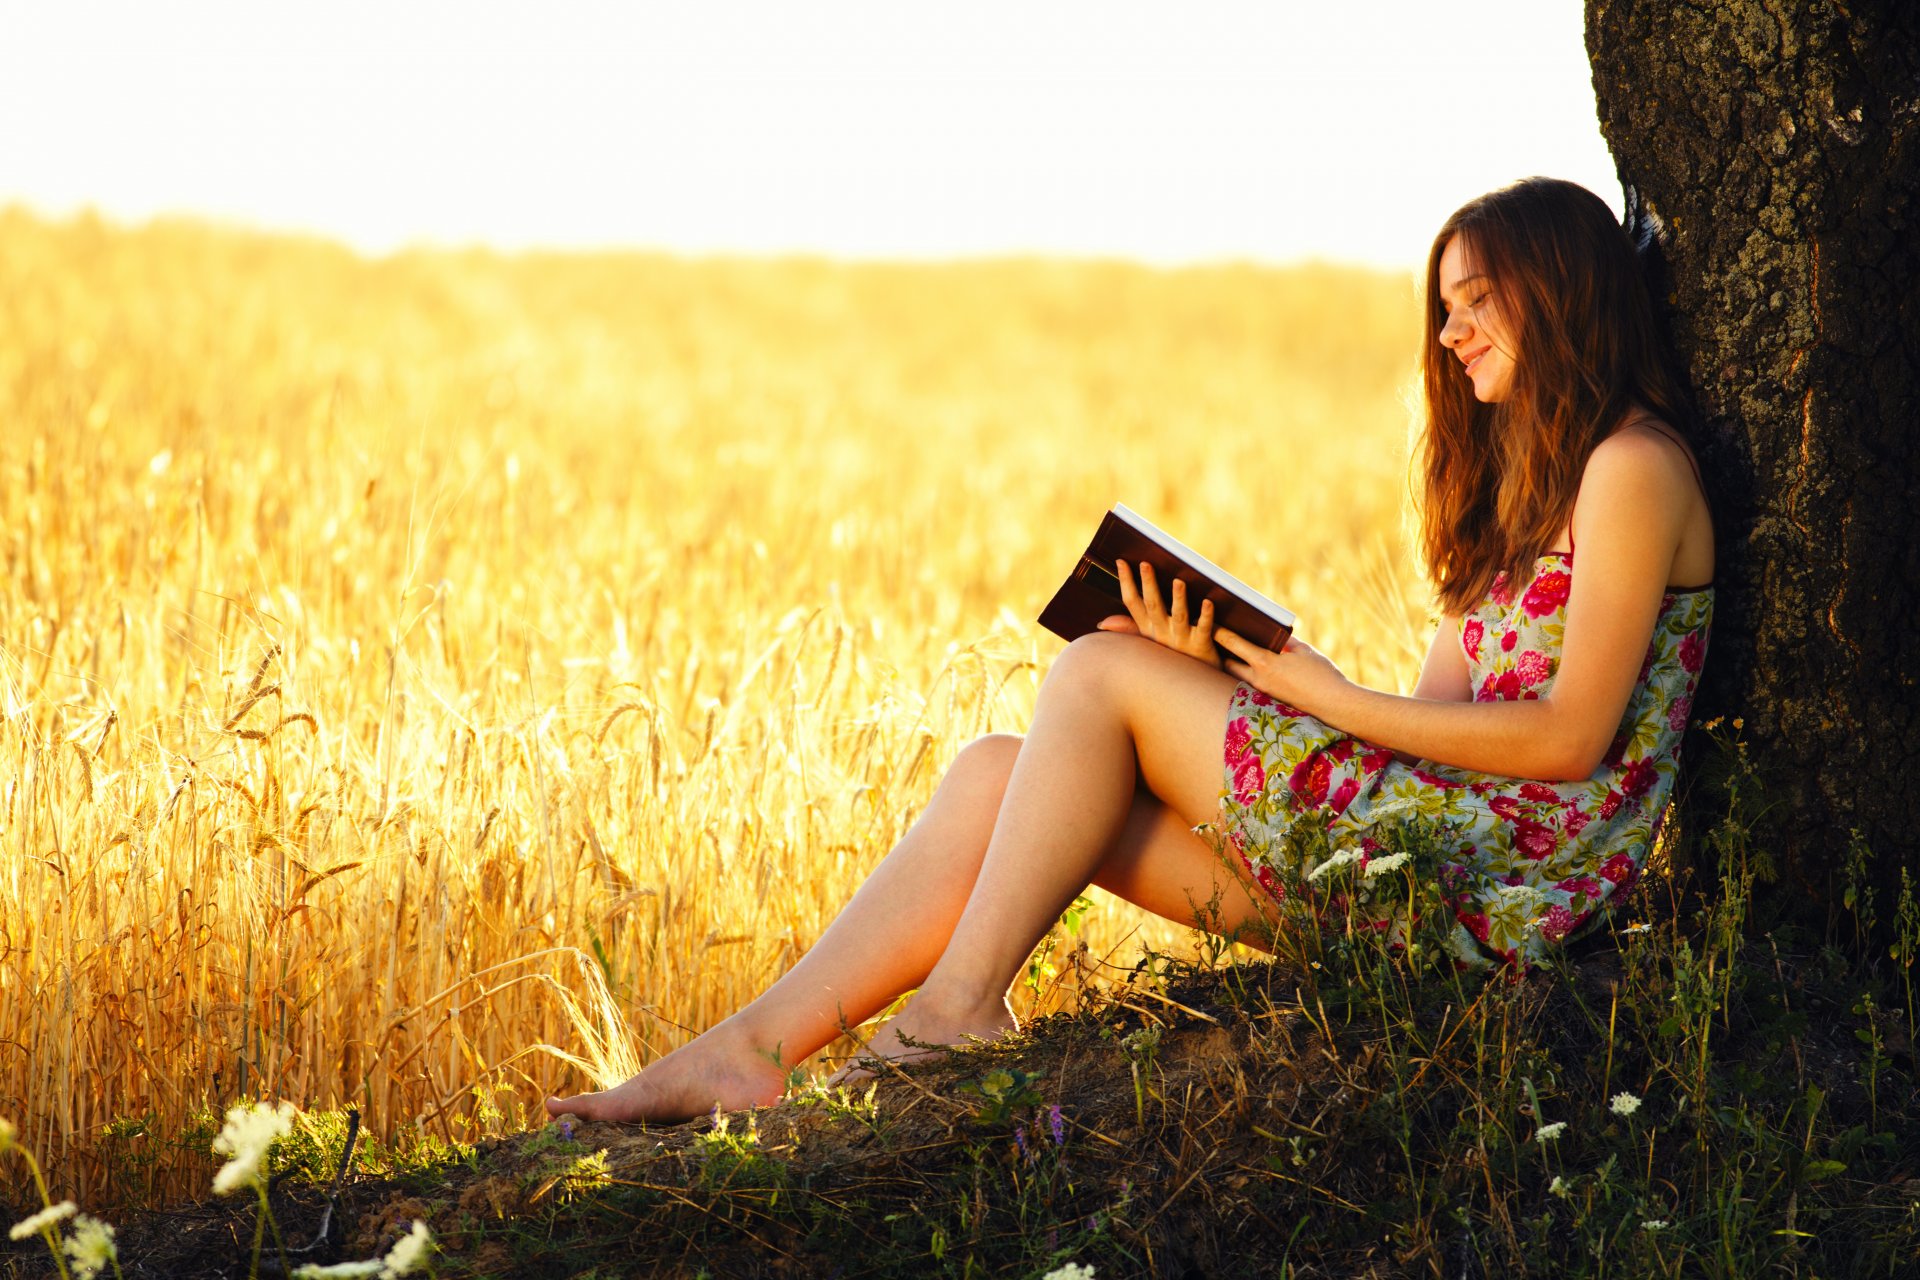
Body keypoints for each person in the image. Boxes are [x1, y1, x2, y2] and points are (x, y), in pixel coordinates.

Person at [546, 177, 1714, 1125]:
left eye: (1475, 301)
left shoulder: (1634, 469)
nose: (1449, 334)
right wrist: (1233, 672)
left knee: (1098, 674)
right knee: (999, 775)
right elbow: (1432, 741)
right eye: (1444, 308)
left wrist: (1321, 694)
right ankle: (750, 1050)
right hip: (1426, 866)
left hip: (1506, 900)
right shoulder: (1520, 500)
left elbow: (1569, 740)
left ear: (1557, 290)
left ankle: (957, 1009)